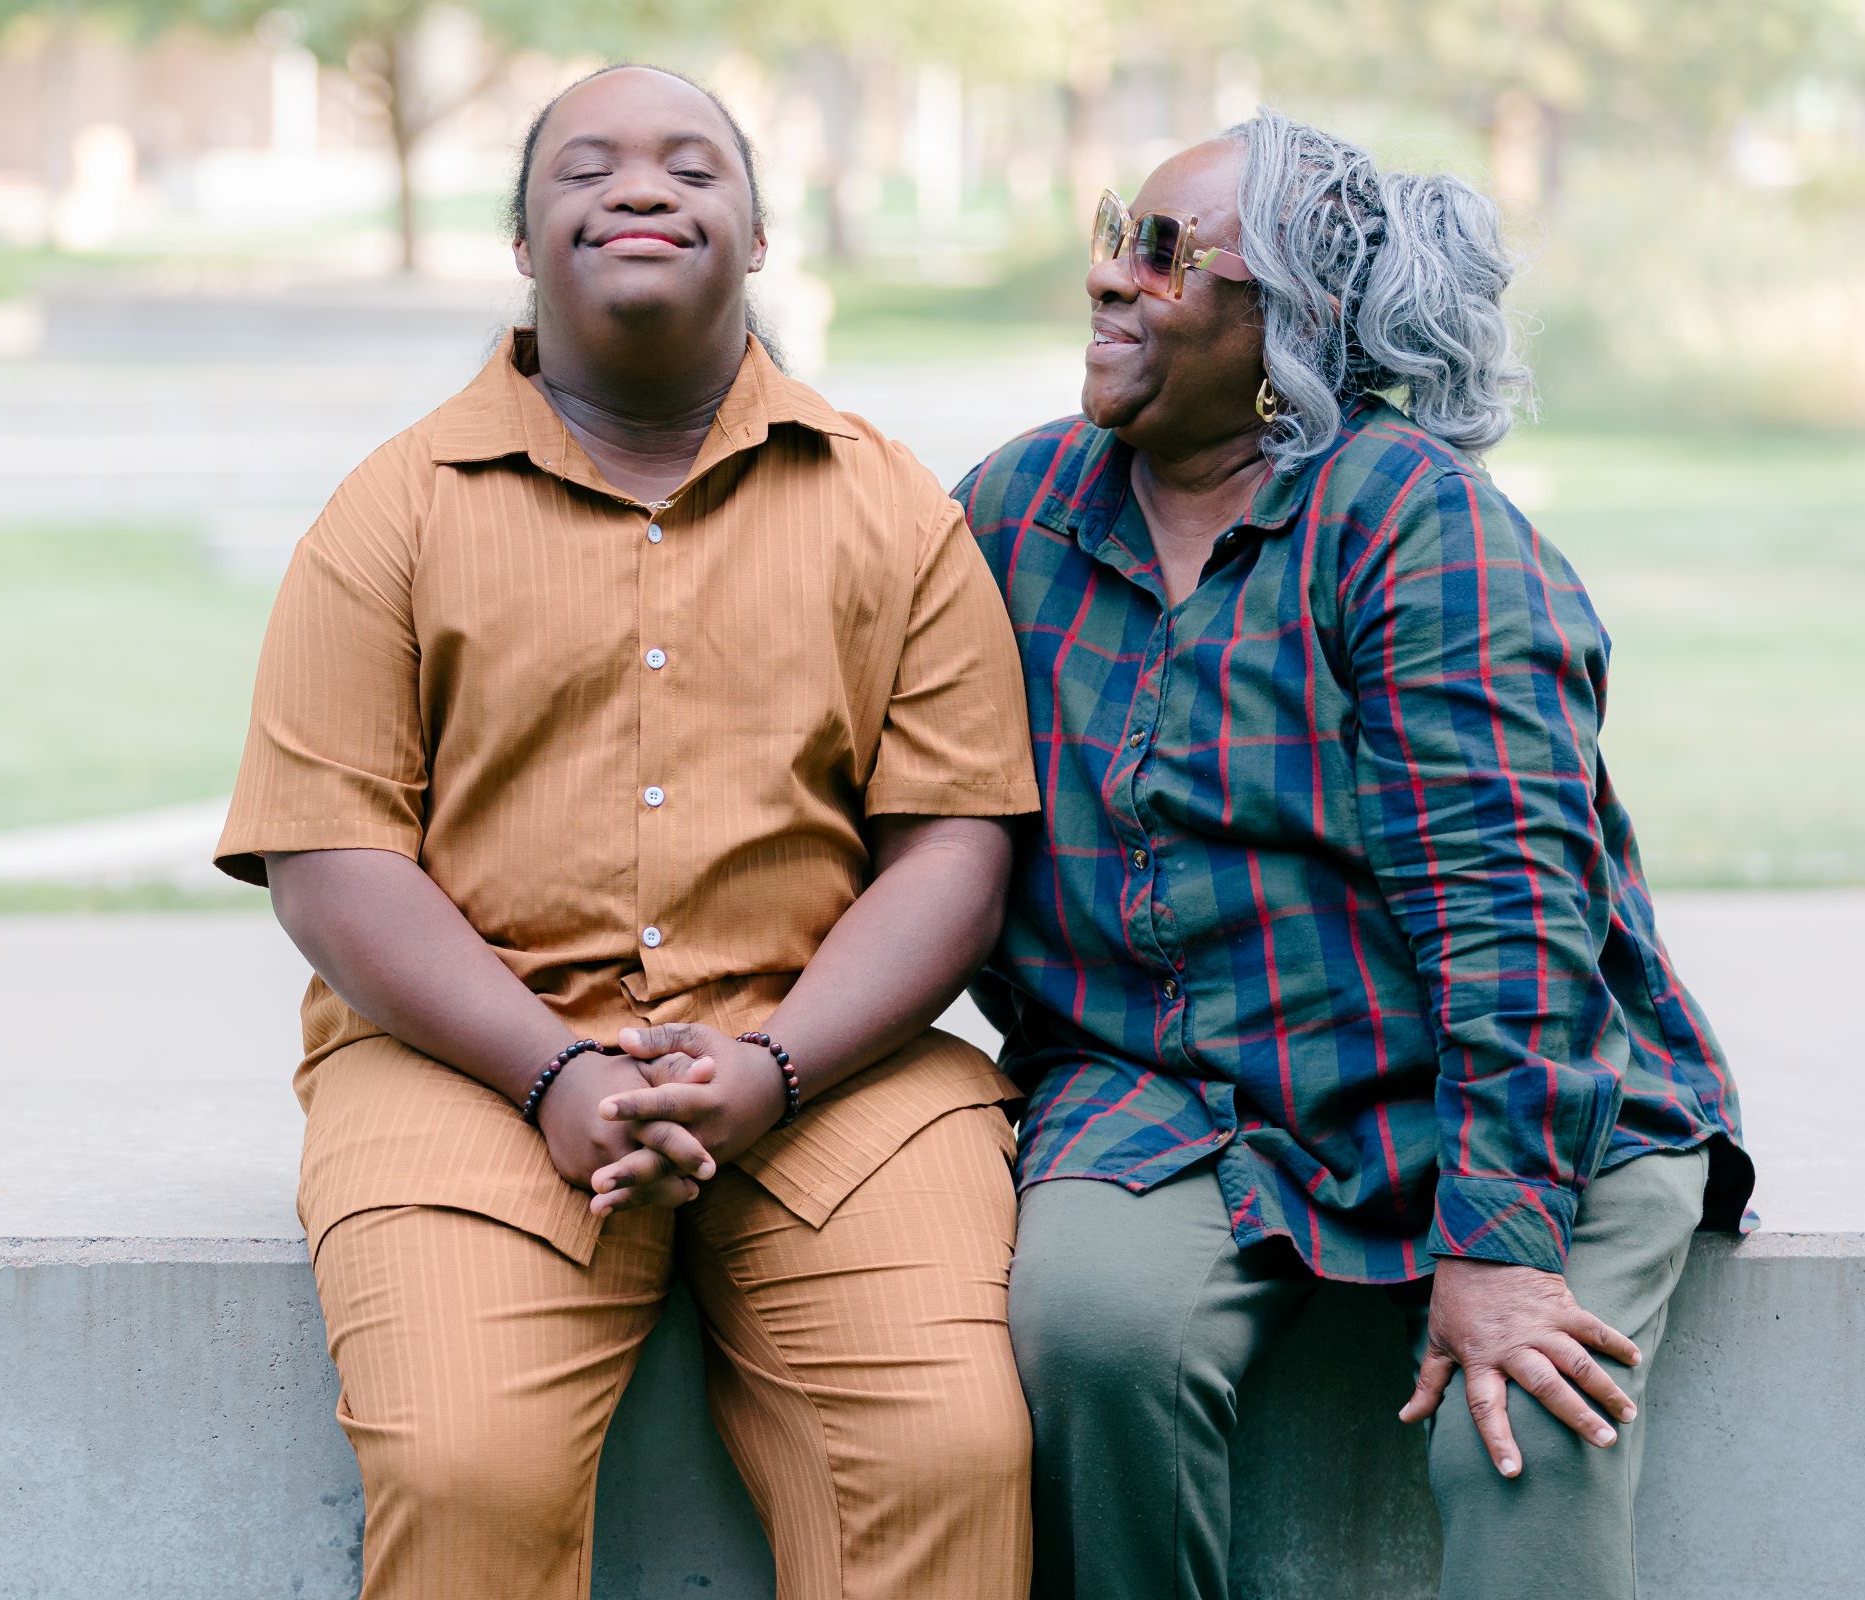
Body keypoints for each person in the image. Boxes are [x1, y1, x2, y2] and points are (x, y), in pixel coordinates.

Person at [215, 64, 1041, 1600]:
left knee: (946, 1454)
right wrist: (554, 1068)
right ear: (525, 245)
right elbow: (331, 860)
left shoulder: (892, 509)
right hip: (466, 1063)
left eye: (691, 167)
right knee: (466, 1469)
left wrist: (777, 1066)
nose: (641, 189)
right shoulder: (387, 514)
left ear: (760, 234)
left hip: (828, 1065)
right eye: (584, 169)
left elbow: (952, 850)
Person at [957, 108, 1754, 1600]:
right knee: (1095, 1333)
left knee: (1521, 1422)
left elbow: (1515, 924)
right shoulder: (1021, 508)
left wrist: (1503, 1246)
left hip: (1515, 1086)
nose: (1111, 280)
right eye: (1114, 231)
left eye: (1163, 251)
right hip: (1179, 1092)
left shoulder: (1417, 529)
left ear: (1292, 324)